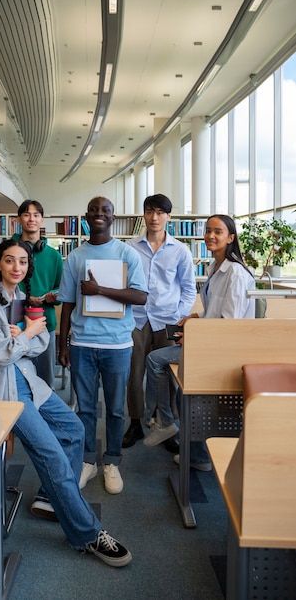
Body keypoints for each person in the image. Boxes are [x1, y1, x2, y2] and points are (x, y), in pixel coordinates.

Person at [0, 238, 132, 567]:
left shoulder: (22, 299)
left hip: (28, 381)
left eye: (23, 262)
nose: (17, 267)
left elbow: (41, 342)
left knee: (73, 429)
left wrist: (23, 337)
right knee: (52, 454)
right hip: (5, 391)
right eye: (10, 261)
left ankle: (55, 497)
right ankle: (87, 533)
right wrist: (24, 336)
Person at [144, 214, 255, 469]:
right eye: (207, 231)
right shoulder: (215, 267)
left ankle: (166, 422)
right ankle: (197, 455)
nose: (210, 236)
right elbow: (216, 310)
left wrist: (195, 334)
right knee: (186, 389)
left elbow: (229, 323)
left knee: (156, 360)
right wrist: (197, 316)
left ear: (231, 237)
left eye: (218, 231)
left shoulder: (235, 273)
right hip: (210, 342)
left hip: (221, 350)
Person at [58, 197, 147, 495]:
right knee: (84, 408)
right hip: (82, 343)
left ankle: (112, 462)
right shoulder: (75, 257)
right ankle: (87, 461)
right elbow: (68, 305)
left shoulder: (127, 254)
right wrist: (63, 344)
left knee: (116, 409)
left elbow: (140, 297)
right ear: (86, 216)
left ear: (113, 217)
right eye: (94, 210)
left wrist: (100, 291)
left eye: (104, 210)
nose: (99, 214)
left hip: (118, 345)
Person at [122, 194, 196, 449]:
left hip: (167, 321)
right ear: (143, 214)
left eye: (160, 212)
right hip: (137, 320)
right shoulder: (129, 248)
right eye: (150, 211)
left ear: (168, 216)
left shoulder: (180, 251)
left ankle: (164, 423)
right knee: (134, 375)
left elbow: (188, 289)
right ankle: (135, 423)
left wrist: (179, 317)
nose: (154, 217)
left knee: (168, 375)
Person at [12, 199, 63, 389]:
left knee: (45, 380)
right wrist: (25, 297)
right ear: (19, 219)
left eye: (36, 215)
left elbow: (61, 288)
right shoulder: (10, 250)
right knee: (16, 380)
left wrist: (53, 295)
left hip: (44, 324)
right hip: (14, 324)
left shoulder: (54, 256)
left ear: (42, 220)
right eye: (26, 214)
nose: (31, 219)